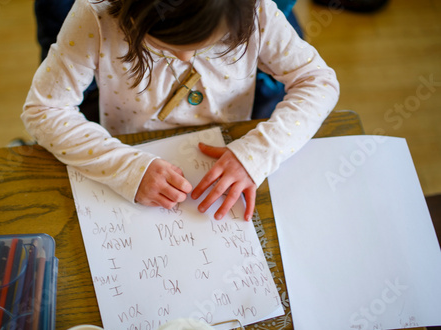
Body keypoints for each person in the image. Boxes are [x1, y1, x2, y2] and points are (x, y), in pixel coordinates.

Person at [22, 0, 339, 221]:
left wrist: (258, 152)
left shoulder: (255, 11)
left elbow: (319, 82)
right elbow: (43, 111)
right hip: (129, 142)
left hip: (228, 142)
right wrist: (126, 169)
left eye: (208, 44)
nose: (186, 60)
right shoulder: (97, 14)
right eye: (164, 46)